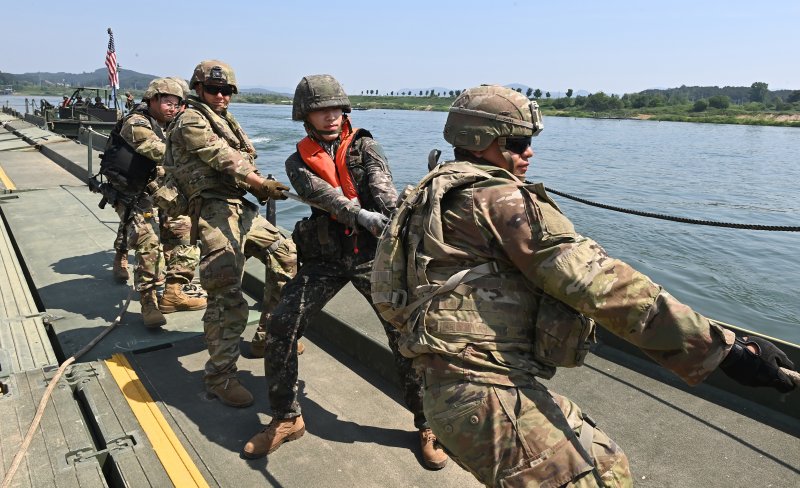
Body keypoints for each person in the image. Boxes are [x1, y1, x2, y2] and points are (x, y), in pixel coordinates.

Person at [370, 84, 798, 487]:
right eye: (518, 144)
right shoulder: (497, 198)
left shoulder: (437, 189)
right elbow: (598, 283)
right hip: (482, 390)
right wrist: (725, 350)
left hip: (451, 388)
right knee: (601, 476)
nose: (529, 152)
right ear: (485, 140)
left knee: (606, 460)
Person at [241, 74, 449, 470]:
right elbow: (324, 195)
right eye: (321, 110)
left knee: (404, 336)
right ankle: (287, 417)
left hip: (372, 258)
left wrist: (395, 217)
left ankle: (429, 424)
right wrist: (359, 214)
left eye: (336, 108)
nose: (331, 116)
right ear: (305, 115)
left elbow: (382, 188)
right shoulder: (296, 160)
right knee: (282, 326)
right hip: (325, 259)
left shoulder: (366, 147)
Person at [167, 60, 290, 408]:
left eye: (227, 91)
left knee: (286, 254)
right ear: (199, 89)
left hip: (238, 206)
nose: (221, 96)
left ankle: (266, 335)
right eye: (213, 90)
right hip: (211, 210)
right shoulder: (191, 118)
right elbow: (220, 155)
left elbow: (241, 158)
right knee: (225, 291)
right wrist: (258, 182)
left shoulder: (223, 119)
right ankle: (220, 376)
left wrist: (260, 184)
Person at [102, 78, 207, 328]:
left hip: (157, 189)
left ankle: (173, 291)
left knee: (185, 230)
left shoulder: (172, 124)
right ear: (152, 100)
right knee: (148, 242)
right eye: (167, 102)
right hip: (131, 191)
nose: (172, 108)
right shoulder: (135, 123)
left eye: (176, 104)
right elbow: (159, 151)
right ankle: (148, 300)